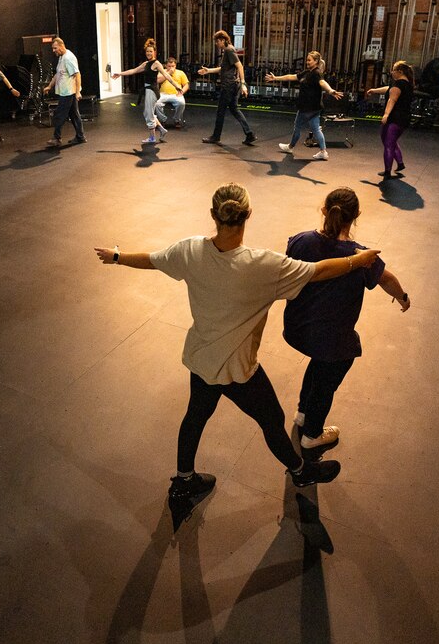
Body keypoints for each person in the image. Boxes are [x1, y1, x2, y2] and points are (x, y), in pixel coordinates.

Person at [94, 183, 381, 526]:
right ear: (248, 215)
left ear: (213, 215)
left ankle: (184, 483)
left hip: (202, 361)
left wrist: (115, 257)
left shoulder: (190, 251)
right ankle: (301, 472)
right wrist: (357, 260)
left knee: (194, 419)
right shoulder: (264, 265)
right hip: (239, 370)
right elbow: (319, 271)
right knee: (271, 420)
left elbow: (152, 259)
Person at [284, 187, 410, 453]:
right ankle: (312, 435)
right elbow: (387, 279)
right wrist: (403, 297)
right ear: (356, 216)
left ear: (324, 211)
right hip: (329, 339)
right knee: (334, 366)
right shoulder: (362, 257)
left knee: (320, 363)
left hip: (298, 330)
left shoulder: (300, 241)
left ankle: (303, 413)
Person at [267, 50, 343, 161]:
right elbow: (291, 77)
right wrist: (276, 78)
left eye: (309, 60)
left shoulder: (316, 73)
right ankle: (323, 152)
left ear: (316, 61)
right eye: (307, 60)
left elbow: (322, 83)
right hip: (314, 109)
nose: (307, 62)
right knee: (316, 129)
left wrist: (331, 91)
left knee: (297, 127)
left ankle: (290, 147)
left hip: (306, 108)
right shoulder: (307, 72)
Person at [111, 39, 179, 145]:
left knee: (148, 114)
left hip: (152, 91)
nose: (149, 53)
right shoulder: (146, 64)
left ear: (154, 52)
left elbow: (167, 76)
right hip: (148, 91)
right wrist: (120, 73)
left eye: (151, 51)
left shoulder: (156, 63)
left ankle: (152, 137)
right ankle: (162, 129)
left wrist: (176, 86)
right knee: (148, 112)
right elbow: (133, 70)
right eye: (147, 51)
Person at [198, 31, 256, 146]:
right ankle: (249, 134)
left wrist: (243, 83)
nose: (216, 44)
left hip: (229, 86)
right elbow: (222, 69)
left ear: (223, 40)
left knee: (221, 111)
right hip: (233, 85)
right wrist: (208, 71)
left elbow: (240, 66)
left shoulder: (229, 50)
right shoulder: (227, 51)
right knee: (234, 109)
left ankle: (216, 137)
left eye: (217, 41)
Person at [366, 60, 414, 177]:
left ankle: (387, 171)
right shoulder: (407, 84)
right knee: (390, 141)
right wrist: (374, 90)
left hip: (395, 118)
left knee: (388, 143)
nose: (391, 72)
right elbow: (389, 88)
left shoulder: (398, 85)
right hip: (404, 118)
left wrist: (386, 114)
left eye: (393, 70)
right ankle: (400, 163)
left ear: (400, 71)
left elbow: (391, 99)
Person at [43, 37, 86, 147]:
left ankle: (57, 138)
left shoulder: (68, 58)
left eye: (55, 48)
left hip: (68, 93)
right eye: (53, 48)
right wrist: (49, 86)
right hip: (66, 92)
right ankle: (80, 137)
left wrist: (77, 92)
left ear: (62, 46)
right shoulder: (61, 57)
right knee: (74, 115)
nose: (53, 51)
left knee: (59, 115)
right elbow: (58, 74)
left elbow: (77, 74)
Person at [157, 55, 189, 129]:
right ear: (166, 66)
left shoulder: (180, 73)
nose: (171, 68)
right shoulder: (162, 72)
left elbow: (186, 85)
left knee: (182, 103)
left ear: (175, 65)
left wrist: (182, 92)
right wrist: (168, 73)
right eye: (169, 66)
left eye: (173, 66)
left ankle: (176, 119)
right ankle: (163, 120)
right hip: (163, 94)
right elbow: (158, 80)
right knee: (156, 103)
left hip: (176, 94)